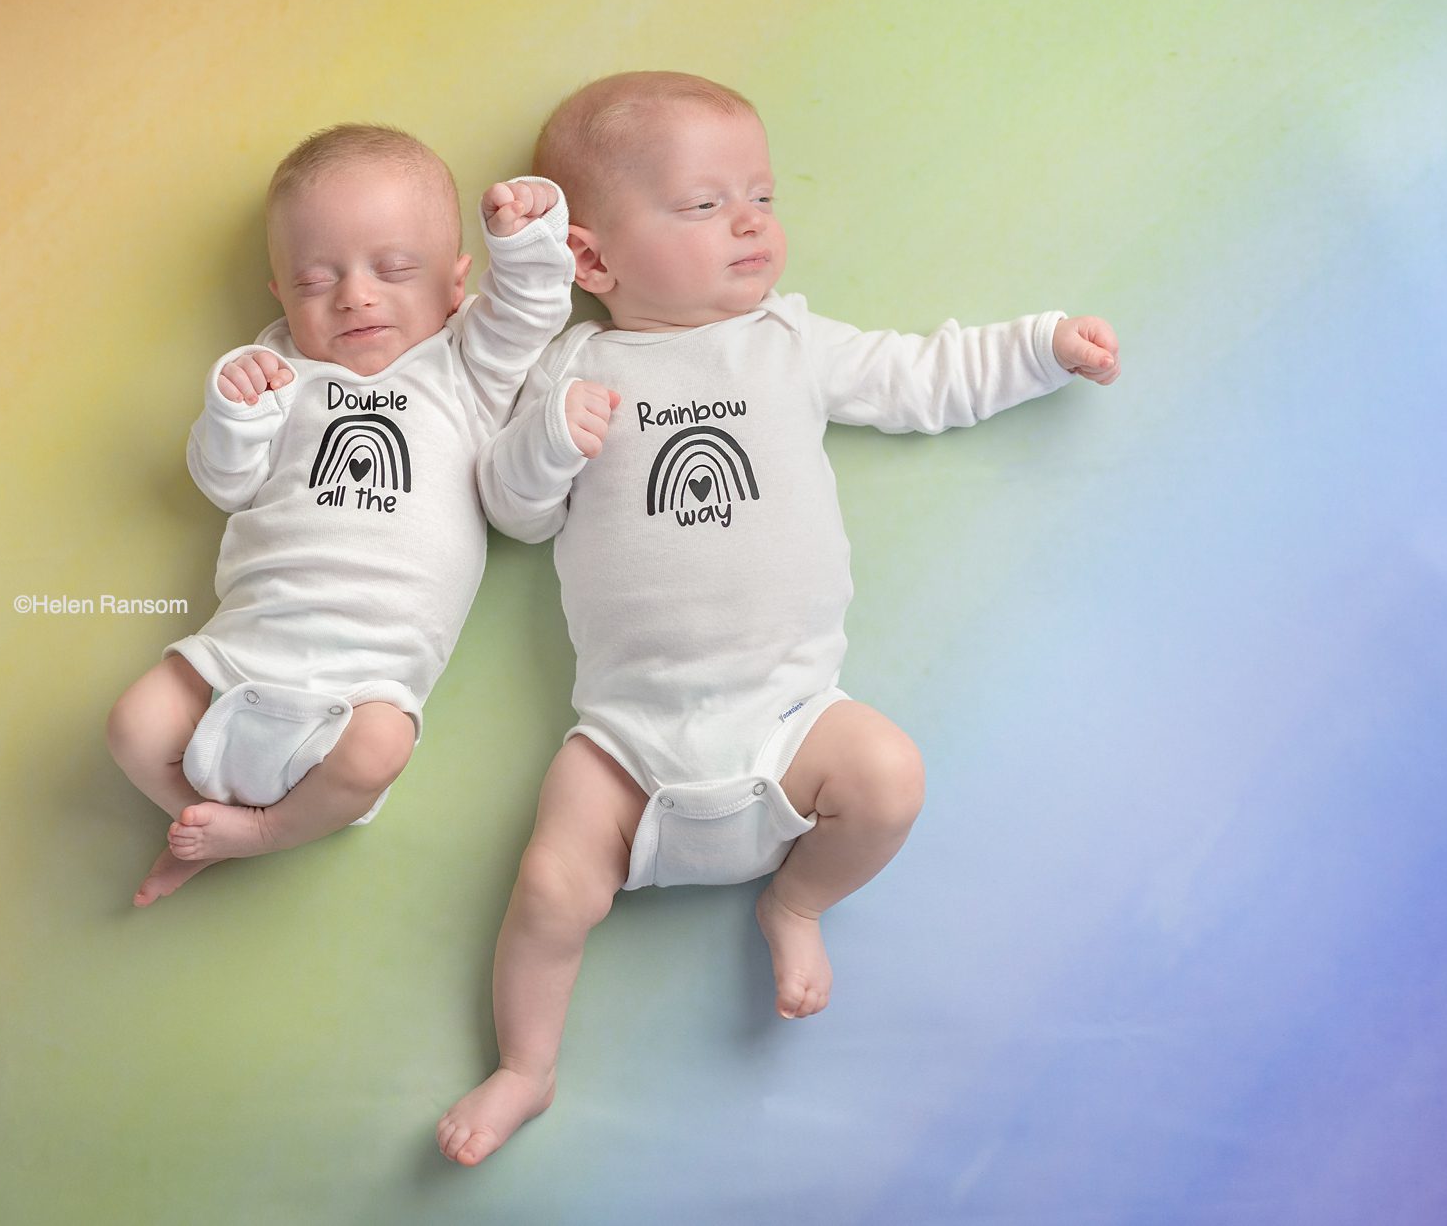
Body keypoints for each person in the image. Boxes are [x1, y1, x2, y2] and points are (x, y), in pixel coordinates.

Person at [437, 72, 1122, 1165]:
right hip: (625, 739)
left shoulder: (787, 343)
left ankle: (795, 904)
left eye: (758, 193)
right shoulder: (570, 365)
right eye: (703, 205)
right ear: (594, 260)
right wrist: (548, 441)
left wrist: (1040, 347)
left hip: (790, 716)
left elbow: (918, 377)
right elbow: (513, 513)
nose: (750, 220)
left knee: (888, 777)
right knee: (551, 888)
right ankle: (526, 1064)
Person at [107, 123, 571, 907]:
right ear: (281, 296)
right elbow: (226, 484)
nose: (356, 294)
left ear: (457, 286)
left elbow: (531, 313)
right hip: (241, 645)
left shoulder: (463, 370)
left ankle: (262, 833)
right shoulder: (280, 373)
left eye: (393, 269)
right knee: (134, 726)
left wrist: (527, 239)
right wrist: (235, 411)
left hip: (371, 678)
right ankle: (202, 822)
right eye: (318, 280)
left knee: (378, 752)